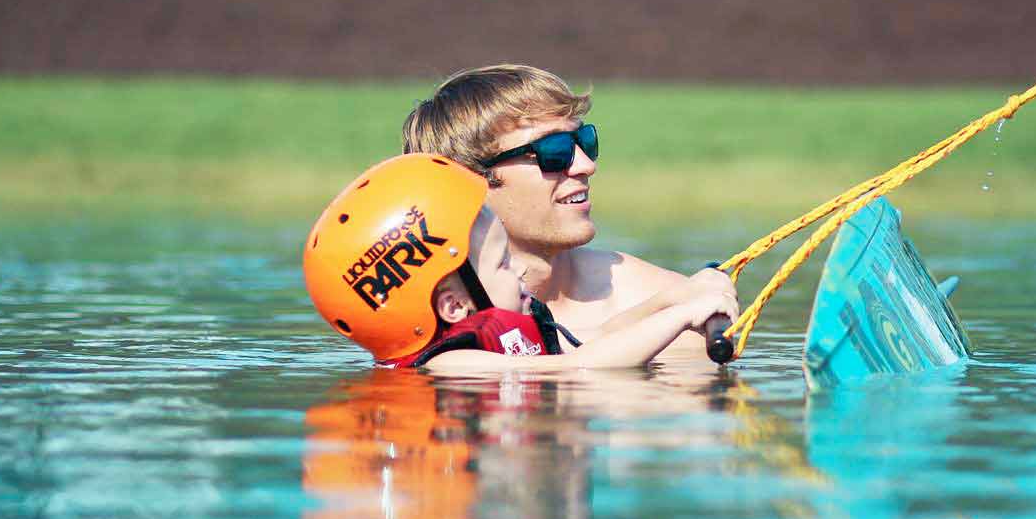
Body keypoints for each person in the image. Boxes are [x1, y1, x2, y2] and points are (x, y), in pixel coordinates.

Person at [400, 64, 737, 360]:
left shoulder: (650, 294)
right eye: (554, 151)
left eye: (584, 142)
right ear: (468, 183)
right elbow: (572, 361)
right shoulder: (433, 327)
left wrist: (673, 305)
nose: (585, 165)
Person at [305, 153, 733, 375]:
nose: (519, 274)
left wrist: (675, 299)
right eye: (503, 265)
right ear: (454, 306)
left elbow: (598, 338)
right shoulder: (450, 364)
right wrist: (681, 316)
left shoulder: (499, 335)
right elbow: (580, 366)